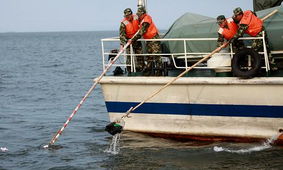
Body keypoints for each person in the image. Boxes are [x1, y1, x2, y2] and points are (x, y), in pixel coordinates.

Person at [132, 6, 162, 76]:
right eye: (138, 14)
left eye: (139, 14)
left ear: (143, 13)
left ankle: (159, 71)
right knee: (150, 56)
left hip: (154, 39)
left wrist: (133, 39)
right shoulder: (142, 19)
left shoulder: (146, 19)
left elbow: (142, 31)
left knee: (157, 55)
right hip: (149, 40)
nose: (138, 15)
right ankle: (149, 71)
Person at [120, 8, 144, 73]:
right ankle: (129, 70)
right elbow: (122, 35)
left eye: (129, 15)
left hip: (136, 39)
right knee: (129, 57)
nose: (127, 17)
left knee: (140, 55)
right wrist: (122, 45)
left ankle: (141, 69)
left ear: (131, 14)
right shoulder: (123, 23)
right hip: (128, 41)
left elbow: (143, 24)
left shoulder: (137, 18)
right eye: (126, 16)